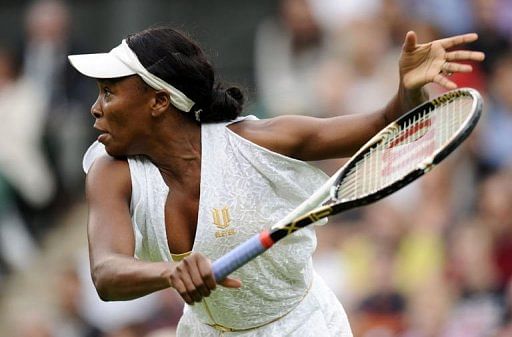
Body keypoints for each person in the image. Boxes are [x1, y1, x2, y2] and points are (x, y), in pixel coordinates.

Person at [68, 26, 484, 336]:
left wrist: (409, 90)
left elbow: (385, 122)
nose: (95, 108)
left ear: (159, 101)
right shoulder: (110, 172)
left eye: (109, 93)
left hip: (303, 326)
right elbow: (106, 274)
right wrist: (170, 273)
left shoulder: (258, 142)